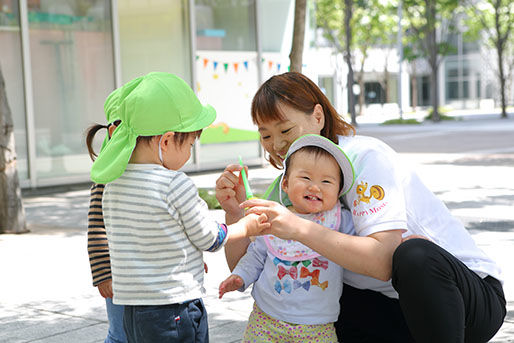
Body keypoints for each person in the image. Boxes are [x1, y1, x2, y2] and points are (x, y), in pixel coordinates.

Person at [215, 72, 506, 343]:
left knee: (414, 255)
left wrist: (299, 228)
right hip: (391, 308)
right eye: (265, 135)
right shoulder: (288, 186)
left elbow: (382, 263)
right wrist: (234, 213)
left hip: (465, 304)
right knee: (311, 296)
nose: (277, 144)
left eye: (285, 129)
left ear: (318, 116)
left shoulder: (364, 157)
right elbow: (251, 267)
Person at [90, 72, 271, 343]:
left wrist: (183, 254)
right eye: (188, 144)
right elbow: (210, 238)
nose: (189, 153)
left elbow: (144, 239)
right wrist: (244, 225)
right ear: (165, 141)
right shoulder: (174, 183)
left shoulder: (113, 184)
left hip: (132, 310)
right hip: (174, 308)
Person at [219, 134, 355, 342]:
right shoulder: (274, 218)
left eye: (326, 181)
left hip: (317, 326)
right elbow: (256, 256)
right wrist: (240, 276)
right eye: (305, 178)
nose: (315, 187)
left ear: (338, 192)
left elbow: (364, 242)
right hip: (266, 319)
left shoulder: (341, 220)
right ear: (285, 184)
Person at [86, 120, 127, 343]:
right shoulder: (107, 178)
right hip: (117, 276)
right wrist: (104, 274)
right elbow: (96, 228)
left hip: (145, 276)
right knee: (120, 334)